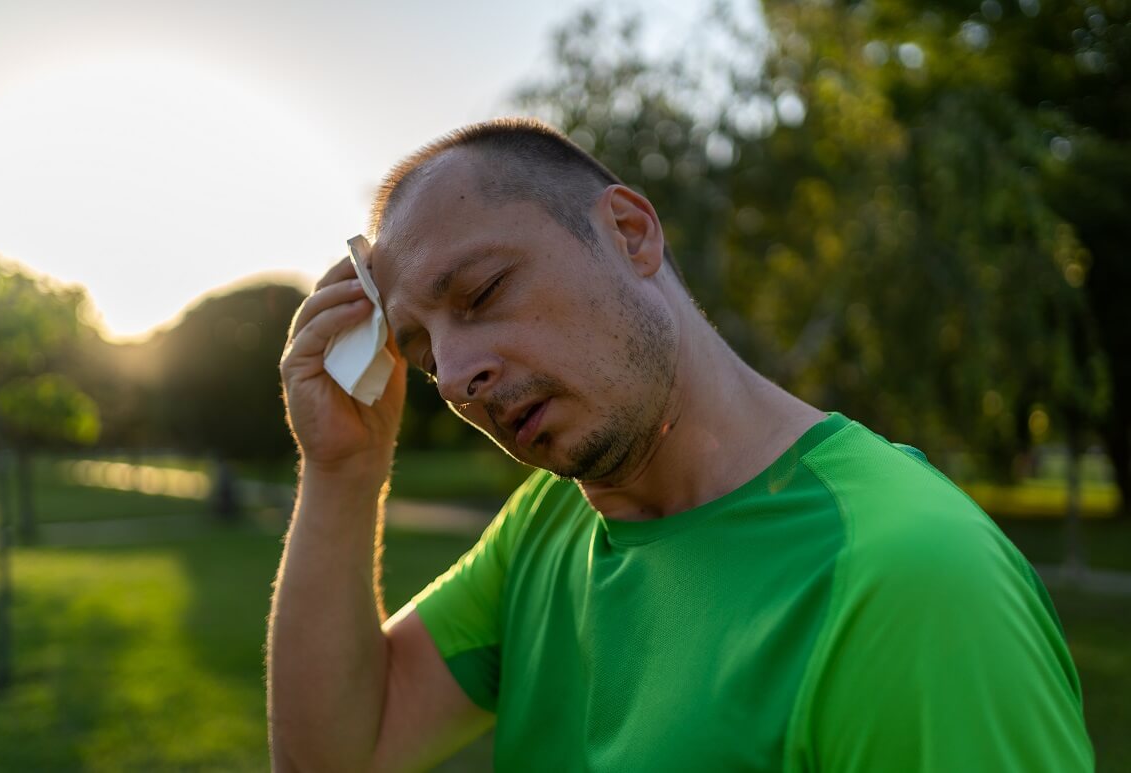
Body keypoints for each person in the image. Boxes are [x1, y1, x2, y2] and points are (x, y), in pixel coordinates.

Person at [267, 118, 1093, 772]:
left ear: (629, 233)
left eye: (481, 292)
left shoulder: (910, 582)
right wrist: (344, 468)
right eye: (419, 349)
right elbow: (336, 754)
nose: (451, 378)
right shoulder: (545, 527)